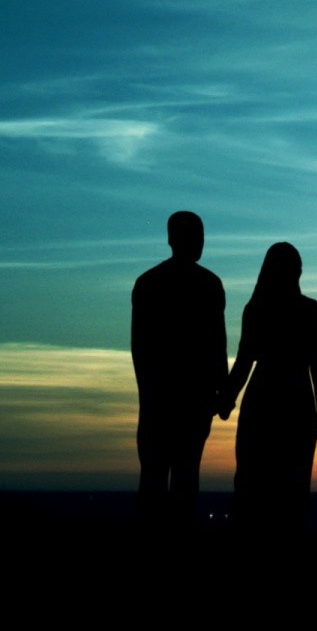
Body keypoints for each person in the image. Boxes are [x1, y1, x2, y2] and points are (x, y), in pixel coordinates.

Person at [219, 241, 317, 534]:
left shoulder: (258, 309)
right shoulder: (310, 311)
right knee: (287, 481)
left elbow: (244, 361)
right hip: (291, 401)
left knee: (262, 479)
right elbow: (316, 363)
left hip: (270, 400)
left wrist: (228, 398)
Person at [130, 211, 228, 531]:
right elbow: (217, 346)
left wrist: (149, 394)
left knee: (157, 481)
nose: (201, 242)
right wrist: (221, 392)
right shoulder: (209, 285)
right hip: (188, 402)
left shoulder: (148, 283)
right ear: (175, 239)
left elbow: (140, 352)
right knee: (182, 480)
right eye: (198, 236)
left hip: (163, 401)